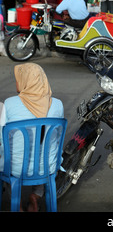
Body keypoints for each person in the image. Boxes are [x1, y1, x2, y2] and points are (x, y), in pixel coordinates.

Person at [0, 63, 64, 212]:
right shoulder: (57, 104)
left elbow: (2, 139)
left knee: (8, 157)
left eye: (18, 78)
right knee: (43, 154)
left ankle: (19, 207)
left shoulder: (9, 104)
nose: (16, 82)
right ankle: (36, 195)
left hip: (16, 168)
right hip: (48, 167)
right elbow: (57, 138)